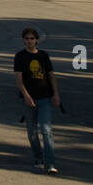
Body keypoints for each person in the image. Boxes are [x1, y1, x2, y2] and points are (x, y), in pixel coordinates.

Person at [14, 28, 61, 174]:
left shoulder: (43, 56)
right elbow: (19, 80)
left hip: (45, 97)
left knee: (46, 130)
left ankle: (50, 163)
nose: (29, 41)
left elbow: (51, 75)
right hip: (28, 99)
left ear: (36, 40)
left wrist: (56, 94)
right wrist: (26, 96)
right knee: (32, 131)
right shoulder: (20, 56)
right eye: (27, 38)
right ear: (23, 40)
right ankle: (38, 157)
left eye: (32, 38)